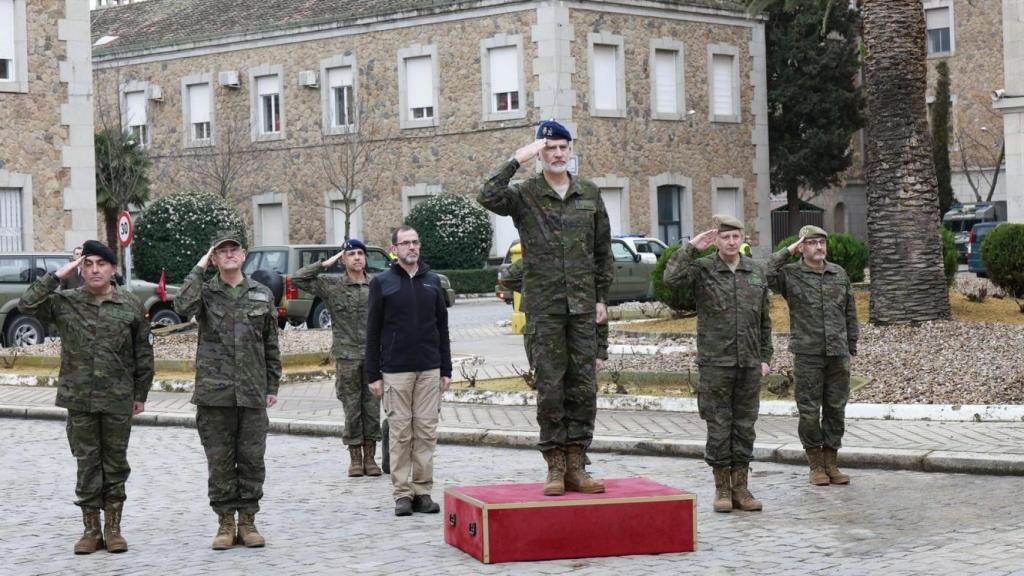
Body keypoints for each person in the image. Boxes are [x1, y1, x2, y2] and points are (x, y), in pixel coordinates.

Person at [478, 120, 613, 497]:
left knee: (583, 390)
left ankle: (577, 464)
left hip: (582, 307)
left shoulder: (588, 192)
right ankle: (554, 465)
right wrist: (517, 159)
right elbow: (487, 196)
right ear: (540, 153)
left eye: (562, 147)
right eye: (549, 148)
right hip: (545, 309)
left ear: (570, 150)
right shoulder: (525, 194)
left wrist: (601, 298)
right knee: (551, 388)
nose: (557, 154)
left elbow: (603, 251)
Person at [19, 240, 153, 554]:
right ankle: (91, 530)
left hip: (117, 398)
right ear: (80, 269)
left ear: (113, 269)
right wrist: (58, 274)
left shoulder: (131, 305)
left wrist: (140, 394)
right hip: (79, 399)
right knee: (87, 464)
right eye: (88, 264)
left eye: (101, 264)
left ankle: (114, 529)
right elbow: (26, 305)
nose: (94, 270)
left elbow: (143, 354)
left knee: (115, 464)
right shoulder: (66, 302)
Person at [174, 231, 282, 550]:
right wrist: (200, 267)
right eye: (222, 251)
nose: (230, 254)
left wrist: (272, 385)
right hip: (214, 395)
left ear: (244, 255)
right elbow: (182, 305)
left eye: (234, 249)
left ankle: (247, 521)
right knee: (220, 462)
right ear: (215, 258)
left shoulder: (262, 294)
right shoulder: (205, 293)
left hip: (251, 393)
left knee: (252, 461)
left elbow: (271, 344)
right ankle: (225, 522)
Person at [663, 215, 772, 513]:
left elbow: (764, 319)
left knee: (745, 426)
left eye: (736, 236)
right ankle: (722, 488)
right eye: (725, 237)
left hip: (748, 362)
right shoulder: (703, 269)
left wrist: (765, 357)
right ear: (717, 240)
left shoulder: (755, 271)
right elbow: (670, 280)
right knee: (719, 425)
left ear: (742, 239)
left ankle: (741, 487)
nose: (731, 242)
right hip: (716, 362)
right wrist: (691, 248)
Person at [366, 225, 452, 517]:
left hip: (429, 368)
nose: (411, 247)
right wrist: (373, 374)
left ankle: (423, 491)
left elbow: (442, 327)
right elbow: (373, 331)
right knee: (401, 433)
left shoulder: (433, 281)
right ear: (395, 249)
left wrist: (446, 368)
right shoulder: (383, 283)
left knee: (426, 432)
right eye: (405, 243)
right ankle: (402, 493)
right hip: (395, 371)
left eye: (415, 242)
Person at [766, 225, 858, 486]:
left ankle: (831, 463)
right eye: (812, 242)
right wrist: (787, 251)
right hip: (808, 353)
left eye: (822, 242)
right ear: (802, 247)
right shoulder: (790, 274)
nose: (819, 247)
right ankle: (816, 465)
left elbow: (850, 311)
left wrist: (851, 345)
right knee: (808, 411)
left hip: (837, 352)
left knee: (836, 409)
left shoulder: (838, 273)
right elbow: (766, 272)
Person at [292, 239, 382, 478]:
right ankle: (355, 459)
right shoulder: (332, 285)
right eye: (351, 254)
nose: (357, 257)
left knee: (372, 408)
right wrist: (324, 263)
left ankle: (371, 458)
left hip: (373, 356)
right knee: (352, 408)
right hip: (347, 357)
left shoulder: (377, 284)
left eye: (360, 253)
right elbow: (299, 278)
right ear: (343, 259)